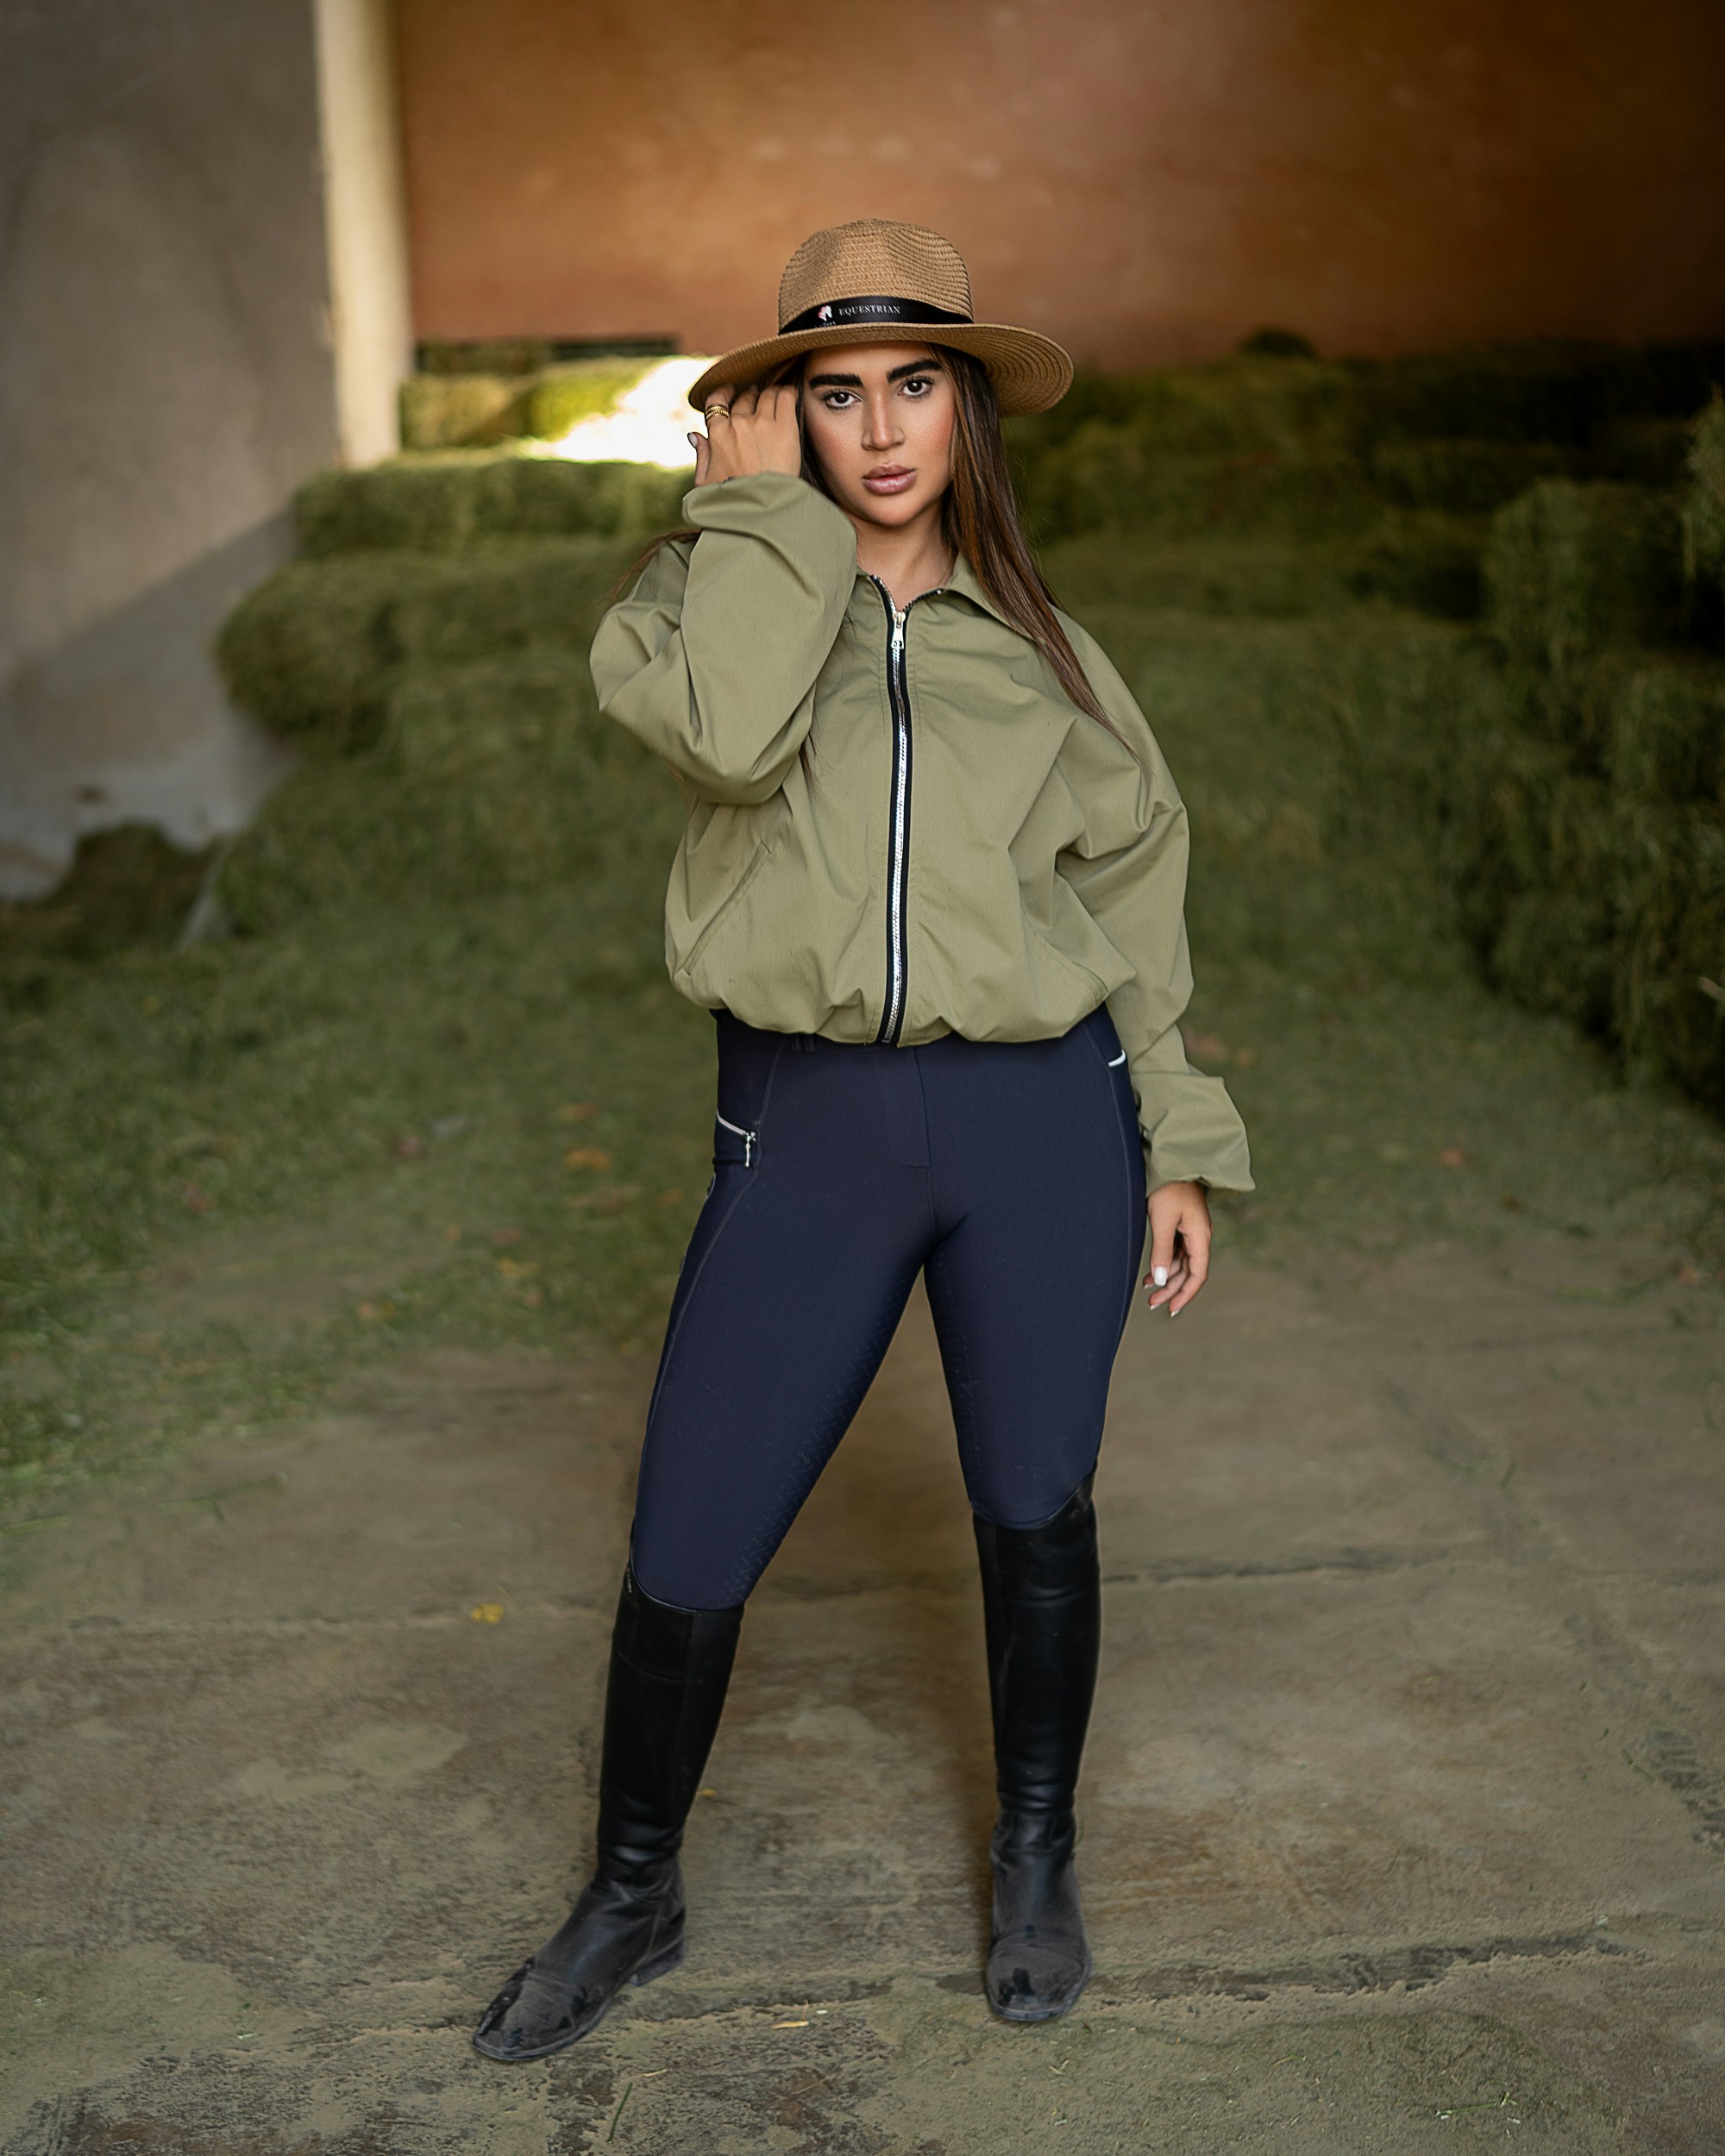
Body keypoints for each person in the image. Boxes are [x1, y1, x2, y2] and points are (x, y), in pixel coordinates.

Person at [474, 218, 1251, 2063]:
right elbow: (735, 744)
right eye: (834, 390)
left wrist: (1177, 1136)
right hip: (810, 1123)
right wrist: (759, 530)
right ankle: (631, 1887)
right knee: (689, 1532)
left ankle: (1037, 1852)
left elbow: (1135, 906)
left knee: (1032, 1501)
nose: (882, 426)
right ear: (778, 418)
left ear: (966, 410)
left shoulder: (1051, 655)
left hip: (1040, 1124)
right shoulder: (691, 612)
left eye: (917, 383)